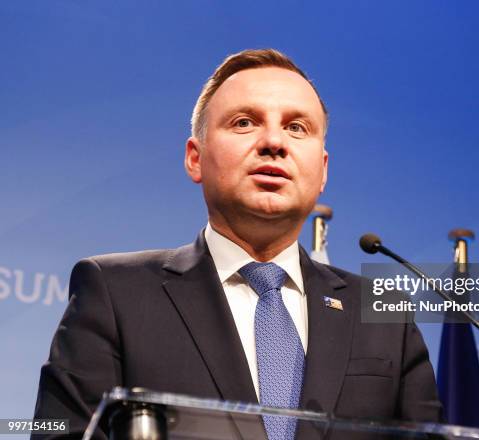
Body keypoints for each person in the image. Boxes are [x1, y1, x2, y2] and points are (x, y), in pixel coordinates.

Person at [33, 49, 442, 439]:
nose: (274, 143)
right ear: (196, 157)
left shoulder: (383, 311)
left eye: (297, 127)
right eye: (245, 122)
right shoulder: (114, 291)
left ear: (322, 171)